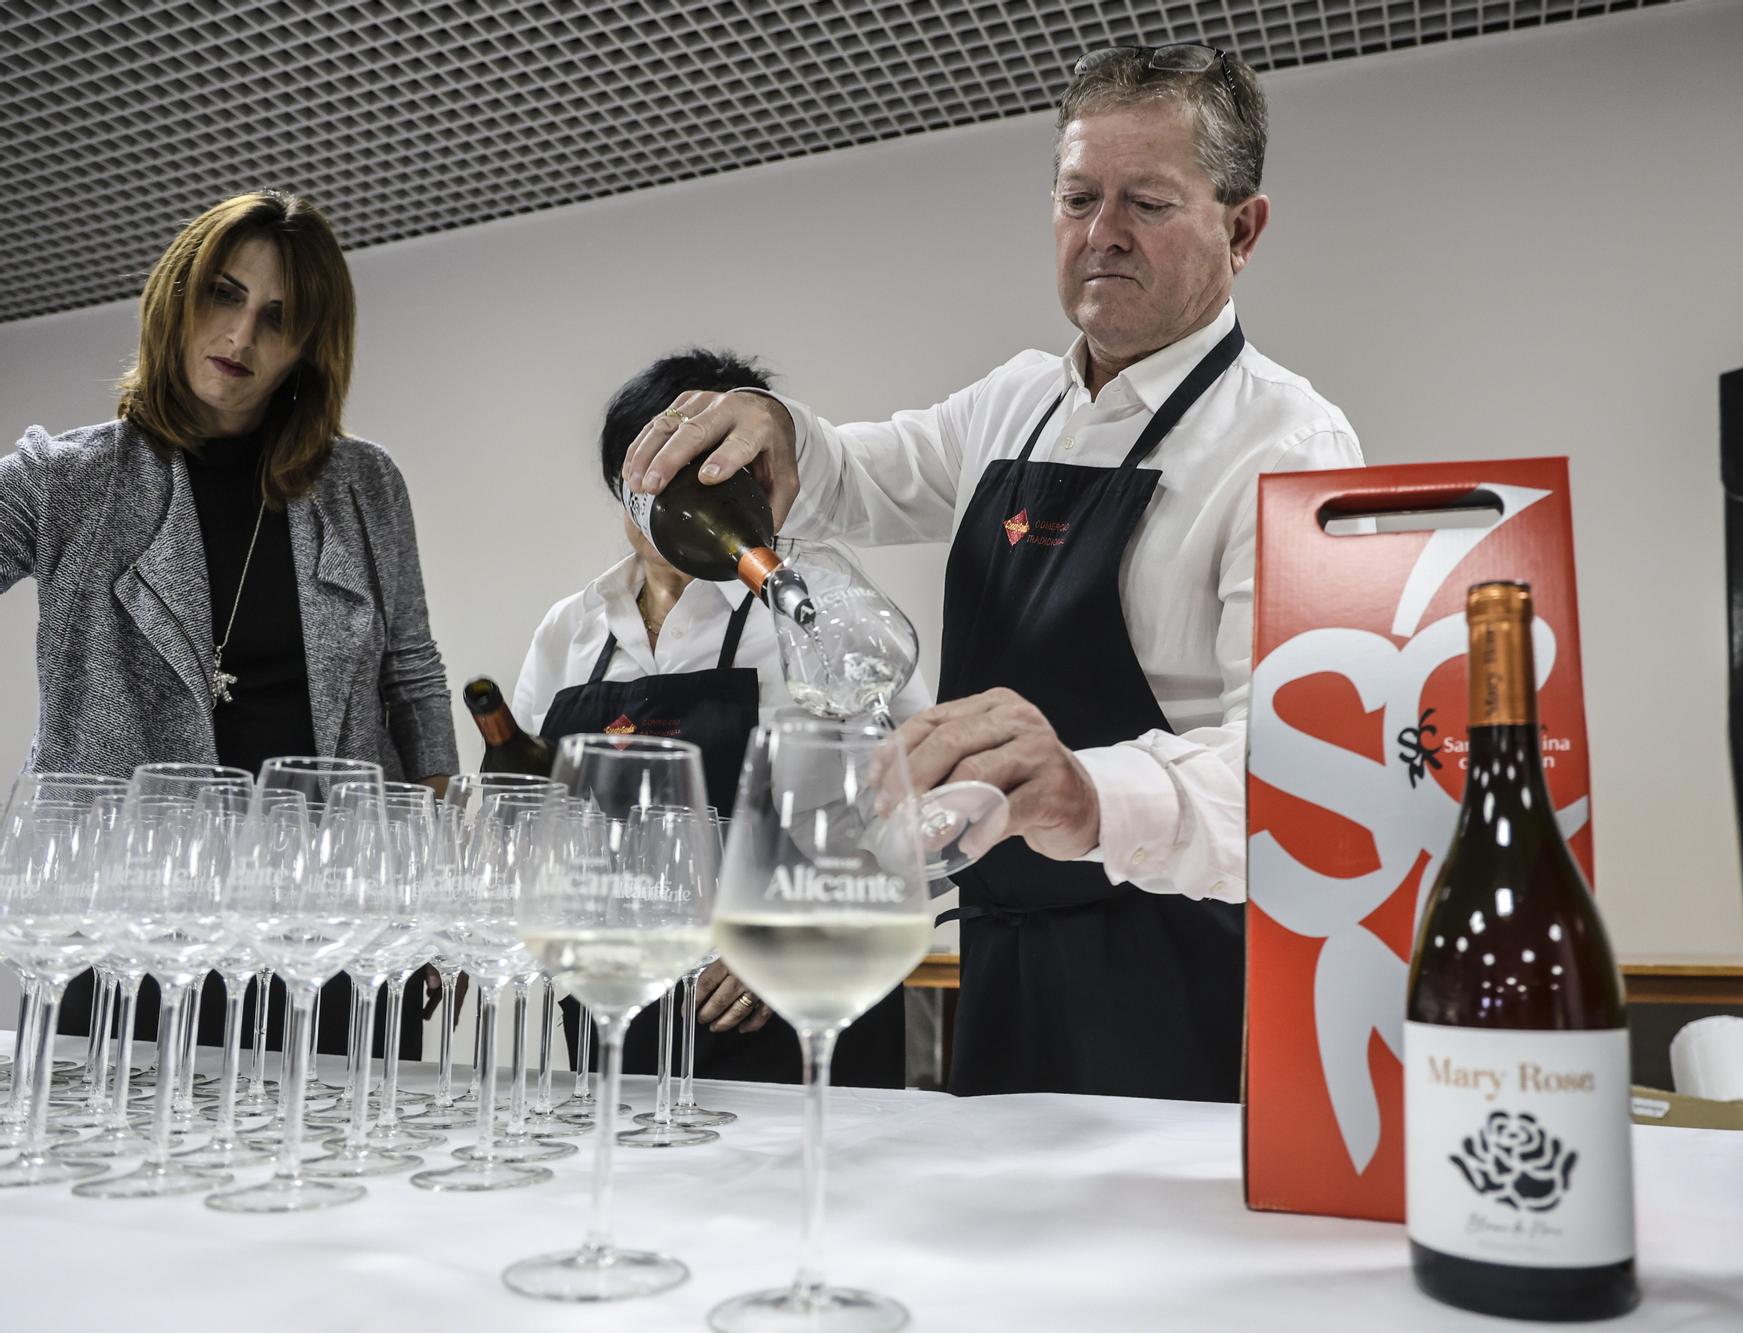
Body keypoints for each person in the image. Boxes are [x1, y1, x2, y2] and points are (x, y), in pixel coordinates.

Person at [624, 47, 1363, 1102]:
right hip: (1002, 958)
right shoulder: (1016, 403)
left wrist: (1080, 791)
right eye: (1077, 197)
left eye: (1146, 202)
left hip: (1181, 970)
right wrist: (779, 430)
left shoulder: (1289, 445)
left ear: (1241, 231)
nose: (1101, 233)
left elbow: (1299, 789)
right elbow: (855, 471)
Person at [1, 189, 456, 1047]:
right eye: (225, 294)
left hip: (329, 930)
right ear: (178, 294)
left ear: (310, 348)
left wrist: (428, 899)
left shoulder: (364, 486)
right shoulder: (67, 480)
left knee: (324, 1168)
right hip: (122, 934)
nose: (242, 337)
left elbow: (415, 682)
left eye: (278, 318)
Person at [513, 348, 927, 1086]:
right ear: (626, 481)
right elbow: (529, 813)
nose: (686, 483)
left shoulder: (820, 605)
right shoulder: (572, 629)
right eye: (663, 460)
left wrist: (792, 927)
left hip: (797, 1009)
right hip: (621, 1015)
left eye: (711, 461)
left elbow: (917, 807)